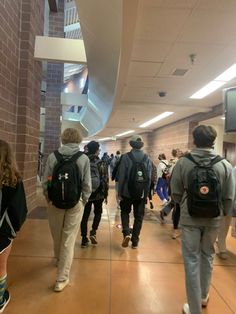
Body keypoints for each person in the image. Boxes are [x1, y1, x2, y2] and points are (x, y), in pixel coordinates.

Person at [170, 125, 235, 314]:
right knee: (208, 255)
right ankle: (204, 295)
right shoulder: (224, 165)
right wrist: (223, 215)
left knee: (191, 259)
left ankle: (194, 308)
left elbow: (175, 192)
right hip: (214, 218)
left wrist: (183, 204)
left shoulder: (183, 163)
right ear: (213, 141)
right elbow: (229, 196)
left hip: (190, 218)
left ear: (194, 140)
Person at [43, 128, 91, 292]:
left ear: (63, 139)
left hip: (55, 202)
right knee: (68, 239)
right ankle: (61, 279)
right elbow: (86, 184)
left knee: (57, 235)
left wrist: (48, 196)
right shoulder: (83, 158)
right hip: (75, 204)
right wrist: (83, 201)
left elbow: (47, 179)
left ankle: (58, 258)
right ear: (78, 140)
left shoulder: (52, 157)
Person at [0, 139, 27, 312]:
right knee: (0, 266)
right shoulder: (13, 180)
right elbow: (19, 210)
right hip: (1, 232)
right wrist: (14, 230)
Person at [118, 134, 152, 249]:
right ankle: (135, 241)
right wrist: (146, 194)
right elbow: (149, 178)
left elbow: (121, 176)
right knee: (139, 216)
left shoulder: (125, 157)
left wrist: (119, 192)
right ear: (142, 145)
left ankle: (126, 233)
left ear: (131, 144)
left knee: (124, 212)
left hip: (127, 192)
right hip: (141, 192)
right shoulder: (147, 158)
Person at [80, 141, 109, 247]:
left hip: (86, 193)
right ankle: (93, 232)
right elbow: (105, 179)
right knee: (98, 212)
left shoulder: (83, 161)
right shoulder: (101, 163)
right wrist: (105, 194)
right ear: (97, 150)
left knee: (84, 215)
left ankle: (84, 238)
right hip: (98, 193)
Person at [217, 157, 236, 259]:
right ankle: (222, 247)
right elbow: (232, 189)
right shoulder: (234, 170)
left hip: (231, 202)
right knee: (224, 225)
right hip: (230, 202)